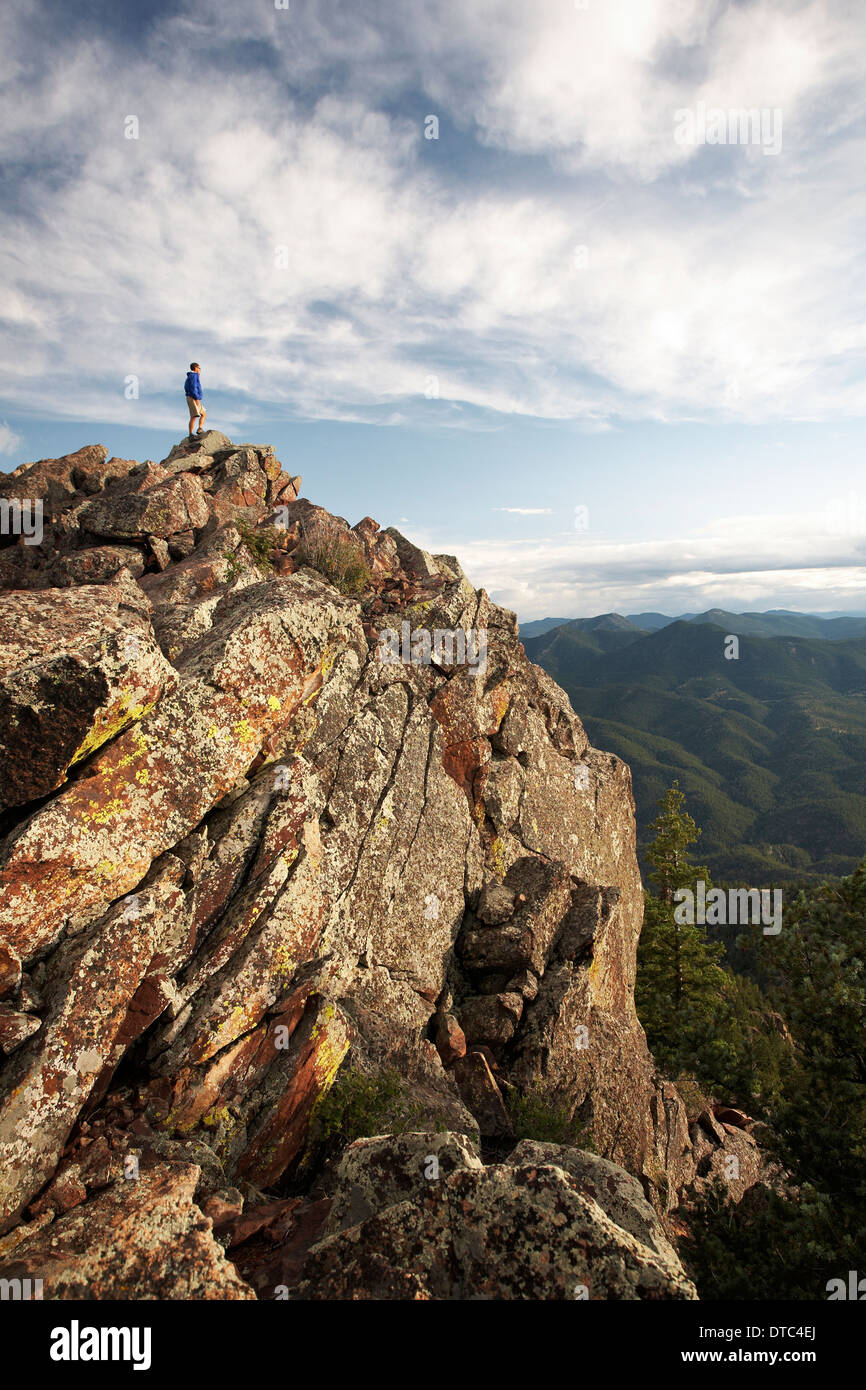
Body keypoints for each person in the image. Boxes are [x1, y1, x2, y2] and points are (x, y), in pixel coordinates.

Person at [184, 362, 206, 438]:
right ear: (196, 368)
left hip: (195, 397)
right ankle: (190, 434)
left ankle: (200, 428)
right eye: (199, 368)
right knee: (194, 416)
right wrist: (196, 398)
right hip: (192, 397)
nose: (200, 370)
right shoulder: (193, 375)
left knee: (203, 413)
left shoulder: (193, 376)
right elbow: (193, 387)